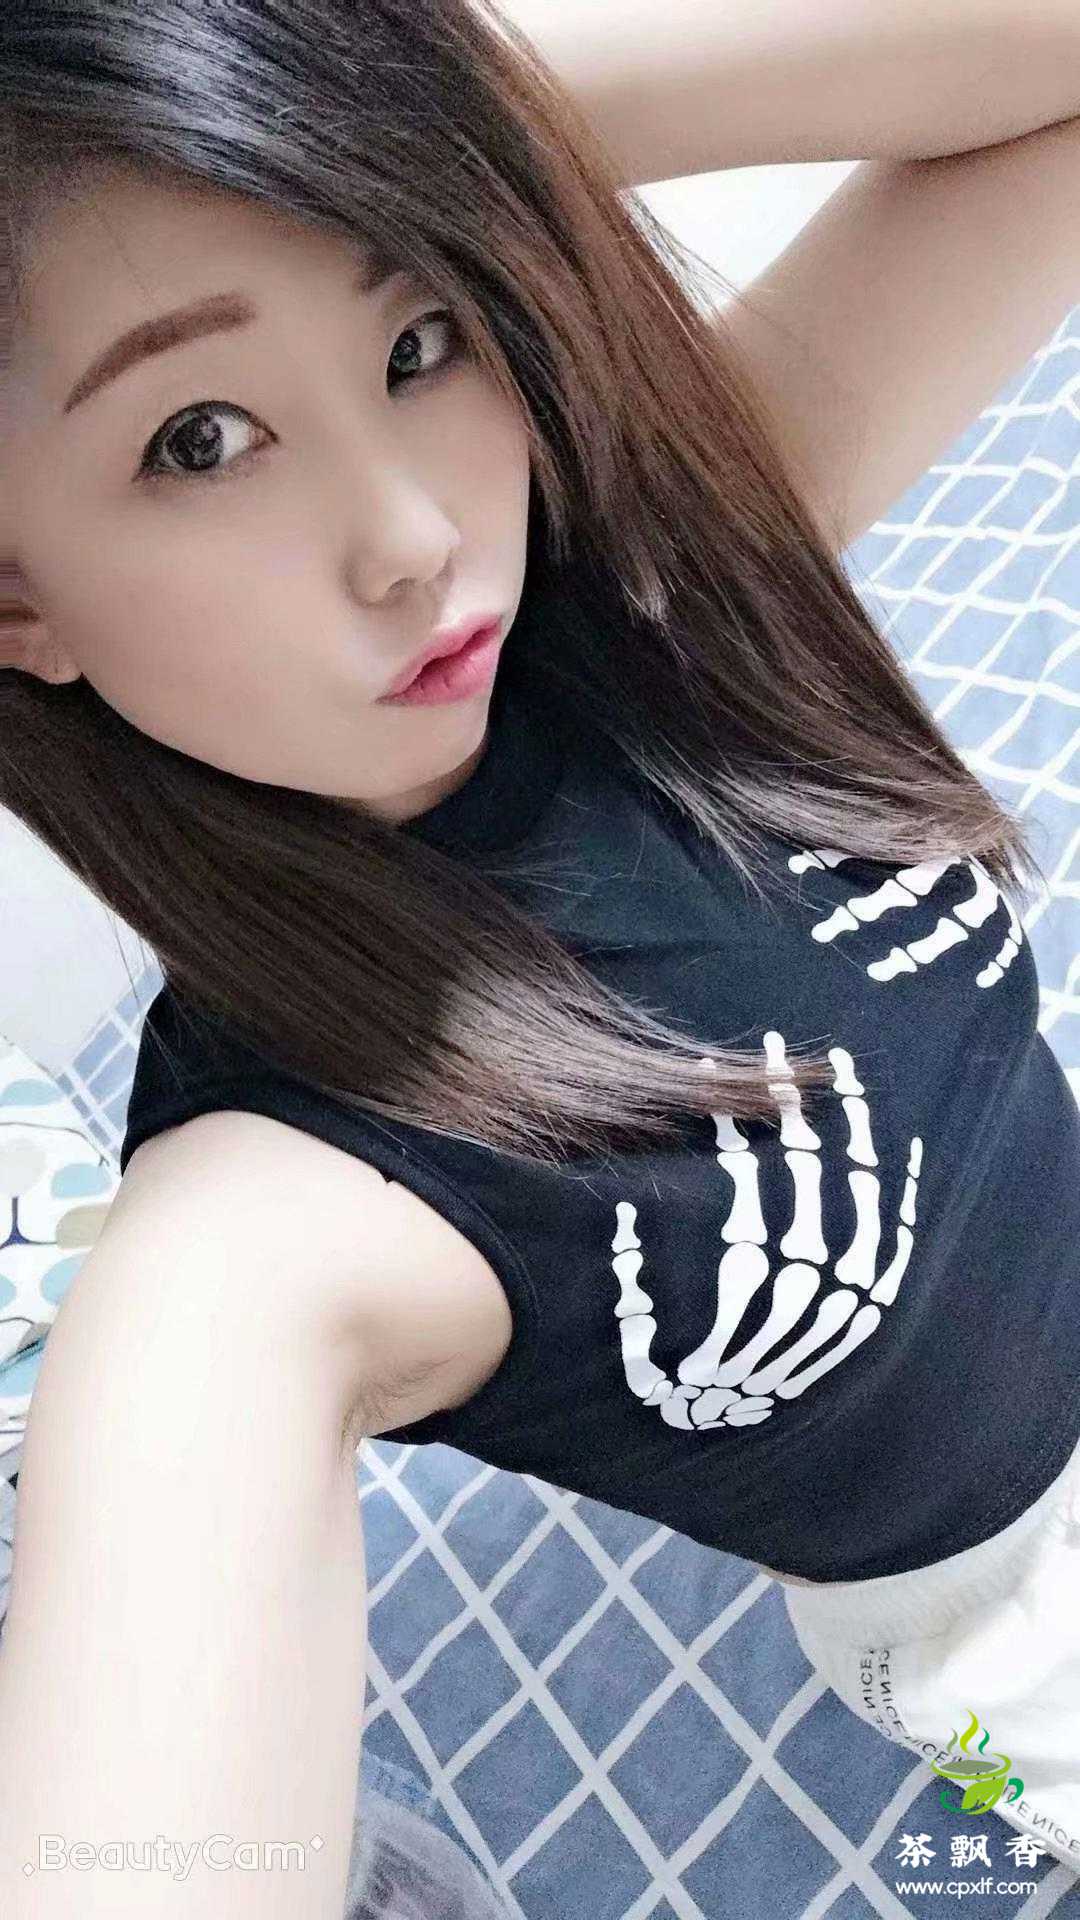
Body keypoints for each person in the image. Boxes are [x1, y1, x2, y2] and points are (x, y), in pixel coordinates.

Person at [1, 0, 1079, 1909]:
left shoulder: (667, 598)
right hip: (998, 1640)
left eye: (417, 338)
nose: (415, 536)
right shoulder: (266, 1209)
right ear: (17, 602)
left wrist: (381, 101)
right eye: (200, 439)